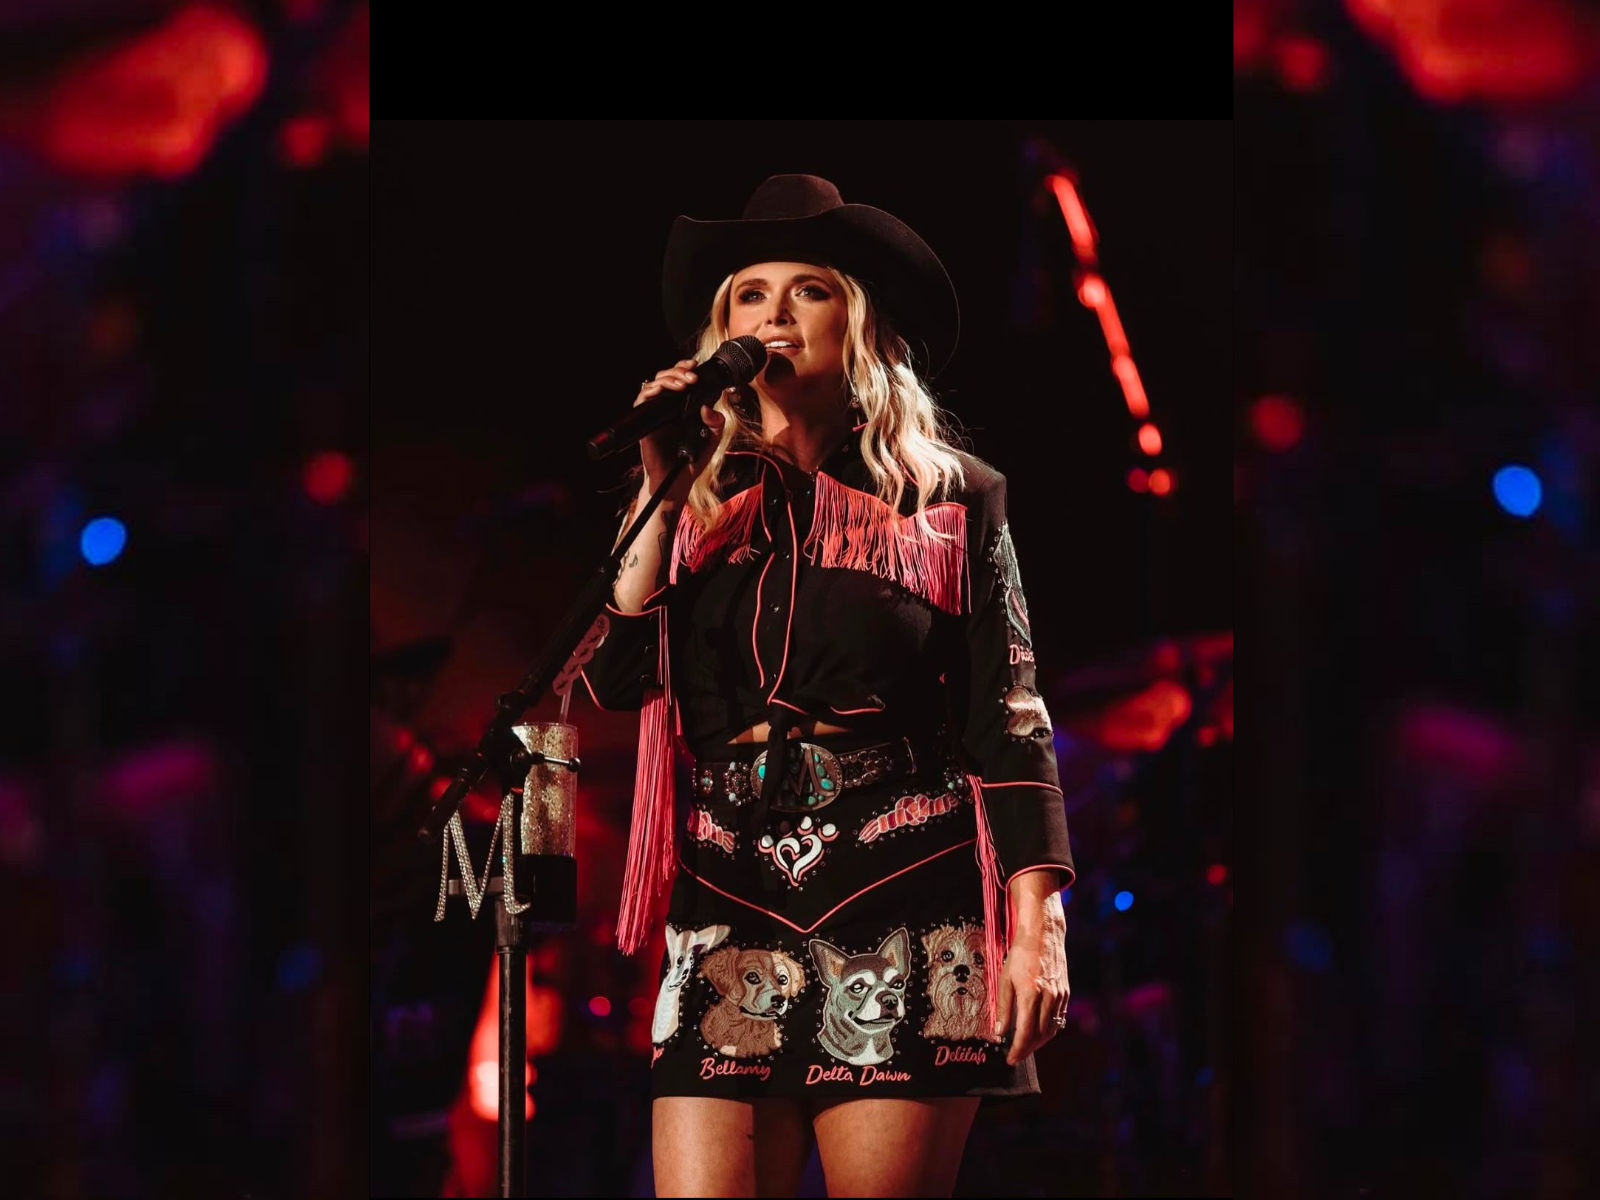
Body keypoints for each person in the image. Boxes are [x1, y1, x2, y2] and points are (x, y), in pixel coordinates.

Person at [578, 175, 1075, 1197]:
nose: (774, 314)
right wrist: (658, 477)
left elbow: (1008, 718)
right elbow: (622, 676)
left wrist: (1038, 929)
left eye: (808, 289)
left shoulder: (948, 499)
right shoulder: (694, 504)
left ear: (858, 319)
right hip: (727, 895)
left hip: (902, 890)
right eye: (751, 294)